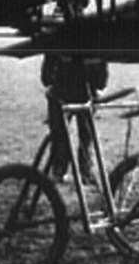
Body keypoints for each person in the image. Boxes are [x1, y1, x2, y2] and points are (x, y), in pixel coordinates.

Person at [41, 52, 107, 184]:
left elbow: (101, 64)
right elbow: (50, 58)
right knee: (59, 134)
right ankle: (59, 170)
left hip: (86, 90)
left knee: (87, 135)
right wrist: (49, 80)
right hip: (62, 88)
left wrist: (100, 84)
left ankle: (85, 172)